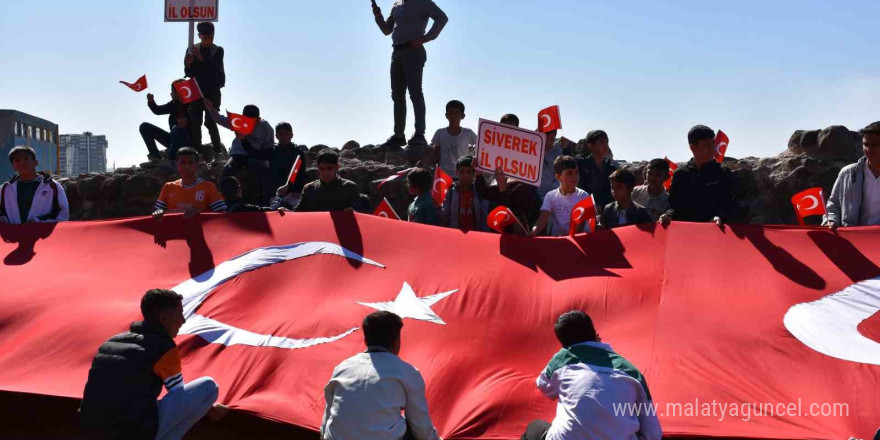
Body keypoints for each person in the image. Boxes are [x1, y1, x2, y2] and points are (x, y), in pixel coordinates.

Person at [79, 289, 227, 440]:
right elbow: (179, 395)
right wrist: (210, 408)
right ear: (163, 318)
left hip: (89, 427)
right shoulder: (164, 347)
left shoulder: (110, 342)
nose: (183, 320)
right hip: (130, 431)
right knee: (209, 387)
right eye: (179, 314)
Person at [523, 310, 662, 440]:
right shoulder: (632, 372)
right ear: (594, 332)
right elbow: (654, 433)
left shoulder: (563, 359)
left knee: (535, 428)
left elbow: (542, 385)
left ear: (563, 343)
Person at [321, 311, 441, 440]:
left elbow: (326, 423)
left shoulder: (342, 368)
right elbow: (421, 429)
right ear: (396, 342)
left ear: (366, 341)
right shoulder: (407, 372)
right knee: (410, 425)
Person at [372, 0, 448, 149]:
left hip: (413, 51)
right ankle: (399, 136)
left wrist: (426, 37)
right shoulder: (396, 5)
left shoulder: (423, 3)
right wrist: (378, 16)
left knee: (415, 93)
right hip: (397, 52)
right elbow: (387, 30)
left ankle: (419, 134)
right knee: (397, 96)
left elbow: (442, 18)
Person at [203, 100, 275, 205]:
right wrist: (211, 109)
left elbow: (268, 148)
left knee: (257, 176)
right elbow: (220, 119)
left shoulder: (265, 127)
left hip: (255, 156)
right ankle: (224, 201)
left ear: (258, 118)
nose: (249, 122)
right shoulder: (239, 121)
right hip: (237, 155)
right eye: (247, 119)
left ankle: (260, 202)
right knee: (226, 173)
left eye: (252, 120)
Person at [666, 125, 734, 225]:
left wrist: (720, 217)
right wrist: (668, 215)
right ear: (692, 147)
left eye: (713, 143)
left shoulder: (723, 172)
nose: (712, 148)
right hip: (686, 233)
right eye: (707, 144)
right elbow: (673, 206)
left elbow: (728, 205)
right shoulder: (681, 174)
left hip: (714, 232)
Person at [825, 121, 880, 229]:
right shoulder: (848, 173)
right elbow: (833, 205)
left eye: (875, 145)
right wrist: (832, 220)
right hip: (854, 238)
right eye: (866, 144)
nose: (869, 149)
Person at [184, 21, 226, 160]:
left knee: (211, 120)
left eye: (211, 37)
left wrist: (200, 58)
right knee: (196, 122)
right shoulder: (192, 49)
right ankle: (197, 154)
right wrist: (188, 63)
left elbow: (213, 69)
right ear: (199, 36)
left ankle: (218, 152)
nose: (208, 41)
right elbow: (189, 72)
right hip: (196, 90)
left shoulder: (218, 50)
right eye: (205, 38)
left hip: (213, 90)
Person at [0, 146, 69, 224]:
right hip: (14, 234)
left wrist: (38, 221)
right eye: (17, 160)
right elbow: (3, 213)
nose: (22, 162)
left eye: (26, 159)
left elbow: (63, 214)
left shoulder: (52, 186)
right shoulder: (6, 188)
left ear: (35, 162)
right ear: (13, 166)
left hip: (41, 233)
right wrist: (3, 219)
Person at [153, 147, 226, 221]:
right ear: (177, 165)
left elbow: (221, 215)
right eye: (182, 162)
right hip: (173, 231)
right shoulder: (168, 187)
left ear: (196, 165)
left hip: (199, 231)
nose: (186, 166)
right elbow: (157, 211)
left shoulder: (209, 187)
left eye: (190, 162)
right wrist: (158, 212)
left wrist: (200, 213)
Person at [530, 156, 590, 236]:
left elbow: (580, 227)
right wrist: (532, 233)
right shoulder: (550, 196)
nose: (575, 177)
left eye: (576, 172)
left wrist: (567, 240)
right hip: (558, 242)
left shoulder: (583, 196)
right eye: (569, 173)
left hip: (578, 241)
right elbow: (541, 221)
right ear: (558, 177)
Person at [140, 80, 193, 162]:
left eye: (172, 91)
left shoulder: (192, 104)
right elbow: (158, 110)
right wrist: (151, 101)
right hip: (173, 139)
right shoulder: (174, 104)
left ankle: (172, 159)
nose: (170, 93)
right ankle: (155, 157)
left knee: (177, 130)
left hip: (187, 141)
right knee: (144, 127)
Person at [295, 150, 361, 212]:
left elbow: (360, 213)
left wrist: (353, 211)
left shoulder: (349, 187)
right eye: (322, 169)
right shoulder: (309, 188)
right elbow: (297, 214)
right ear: (317, 168)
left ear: (337, 167)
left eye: (330, 168)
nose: (326, 173)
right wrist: (286, 212)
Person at [426, 100, 478, 176]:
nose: (453, 116)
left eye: (457, 113)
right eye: (450, 113)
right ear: (446, 115)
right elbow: (436, 152)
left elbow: (480, 146)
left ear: (462, 116)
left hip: (462, 175)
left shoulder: (468, 133)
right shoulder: (440, 133)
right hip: (444, 174)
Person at [440, 156, 487, 232]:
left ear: (474, 174)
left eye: (469, 172)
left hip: (475, 236)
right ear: (456, 172)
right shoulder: (450, 191)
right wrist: (437, 207)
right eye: (462, 172)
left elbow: (484, 217)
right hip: (455, 235)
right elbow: (444, 217)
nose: (465, 175)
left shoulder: (478, 191)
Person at [575, 130, 617, 212]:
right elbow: (579, 190)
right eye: (602, 142)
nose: (606, 145)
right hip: (585, 209)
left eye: (606, 142)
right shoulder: (581, 166)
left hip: (607, 211)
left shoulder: (611, 168)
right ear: (591, 146)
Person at [270, 122, 309, 209]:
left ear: (292, 135)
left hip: (294, 193)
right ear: (276, 136)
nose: (284, 136)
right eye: (281, 134)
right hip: (276, 193)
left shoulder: (298, 151)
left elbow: (301, 172)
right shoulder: (271, 151)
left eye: (287, 134)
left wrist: (291, 188)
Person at [632, 159, 671, 223]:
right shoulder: (635, 192)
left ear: (666, 177)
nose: (652, 178)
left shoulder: (668, 201)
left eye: (657, 175)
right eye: (649, 173)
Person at [537, 130, 563, 199]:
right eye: (547, 134)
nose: (551, 136)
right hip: (531, 195)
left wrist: (549, 196)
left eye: (554, 134)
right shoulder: (532, 149)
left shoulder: (558, 152)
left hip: (549, 197)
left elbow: (559, 176)